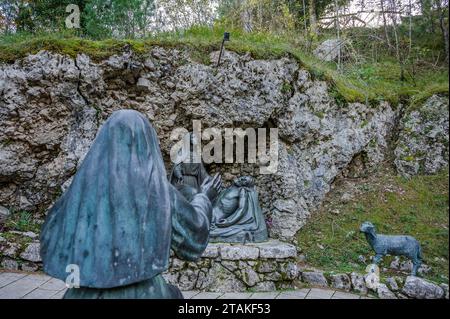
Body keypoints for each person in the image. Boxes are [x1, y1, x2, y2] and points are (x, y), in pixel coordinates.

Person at [40, 110, 221, 299]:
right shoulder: (156, 190)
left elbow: (49, 237)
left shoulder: (80, 188)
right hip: (142, 293)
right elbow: (192, 240)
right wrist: (205, 198)